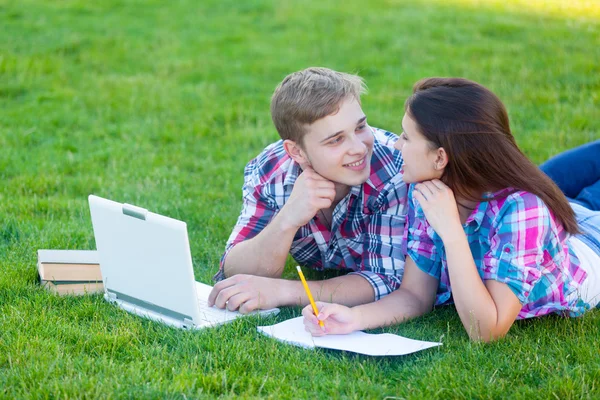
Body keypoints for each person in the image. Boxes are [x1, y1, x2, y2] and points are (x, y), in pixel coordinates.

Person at [302, 78, 600, 342]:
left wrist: (452, 233)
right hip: (552, 220)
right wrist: (355, 318)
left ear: (440, 157)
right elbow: (415, 295)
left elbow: (487, 330)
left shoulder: (523, 207)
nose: (396, 146)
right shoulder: (429, 193)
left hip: (591, 242)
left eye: (406, 137)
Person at [208, 67, 408, 313]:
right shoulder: (271, 172)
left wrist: (283, 291)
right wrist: (287, 219)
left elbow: (385, 279)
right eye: (335, 140)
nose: (359, 148)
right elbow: (236, 270)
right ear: (297, 152)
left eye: (360, 127)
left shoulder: (393, 168)